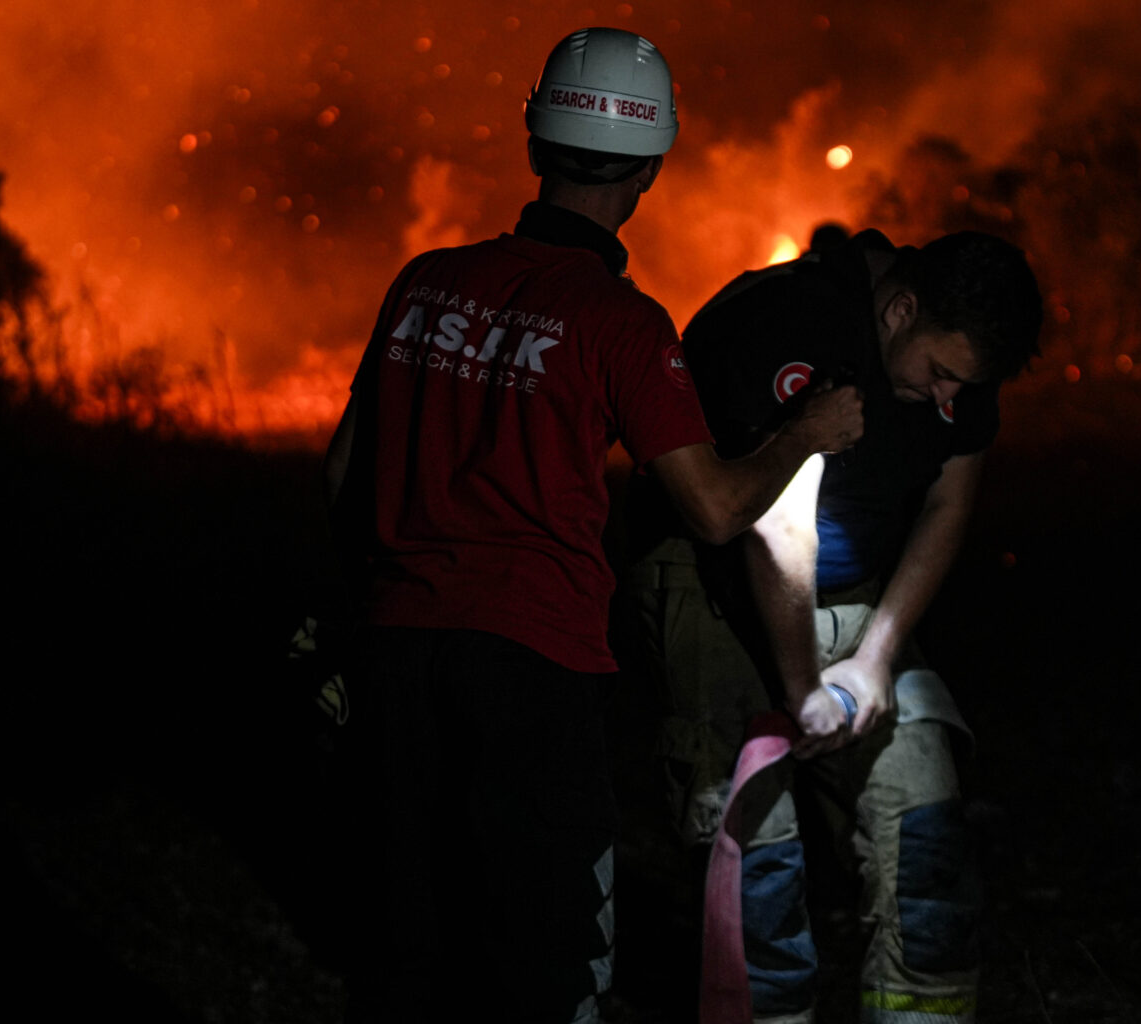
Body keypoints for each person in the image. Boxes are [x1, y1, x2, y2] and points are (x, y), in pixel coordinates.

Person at [321, 27, 864, 1024]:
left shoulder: (423, 282)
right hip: (532, 666)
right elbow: (711, 507)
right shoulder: (621, 323)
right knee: (547, 950)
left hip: (395, 652)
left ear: (533, 138)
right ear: (651, 167)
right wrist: (803, 433)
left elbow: (345, 471)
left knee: (410, 938)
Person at [621, 228, 1042, 1022]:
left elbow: (951, 502)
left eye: (967, 386)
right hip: (715, 581)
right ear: (901, 310)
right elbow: (779, 531)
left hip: (853, 587)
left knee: (925, 836)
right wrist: (804, 690)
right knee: (756, 859)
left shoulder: (960, 358)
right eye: (942, 375)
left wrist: (878, 658)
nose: (951, 400)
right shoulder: (792, 324)